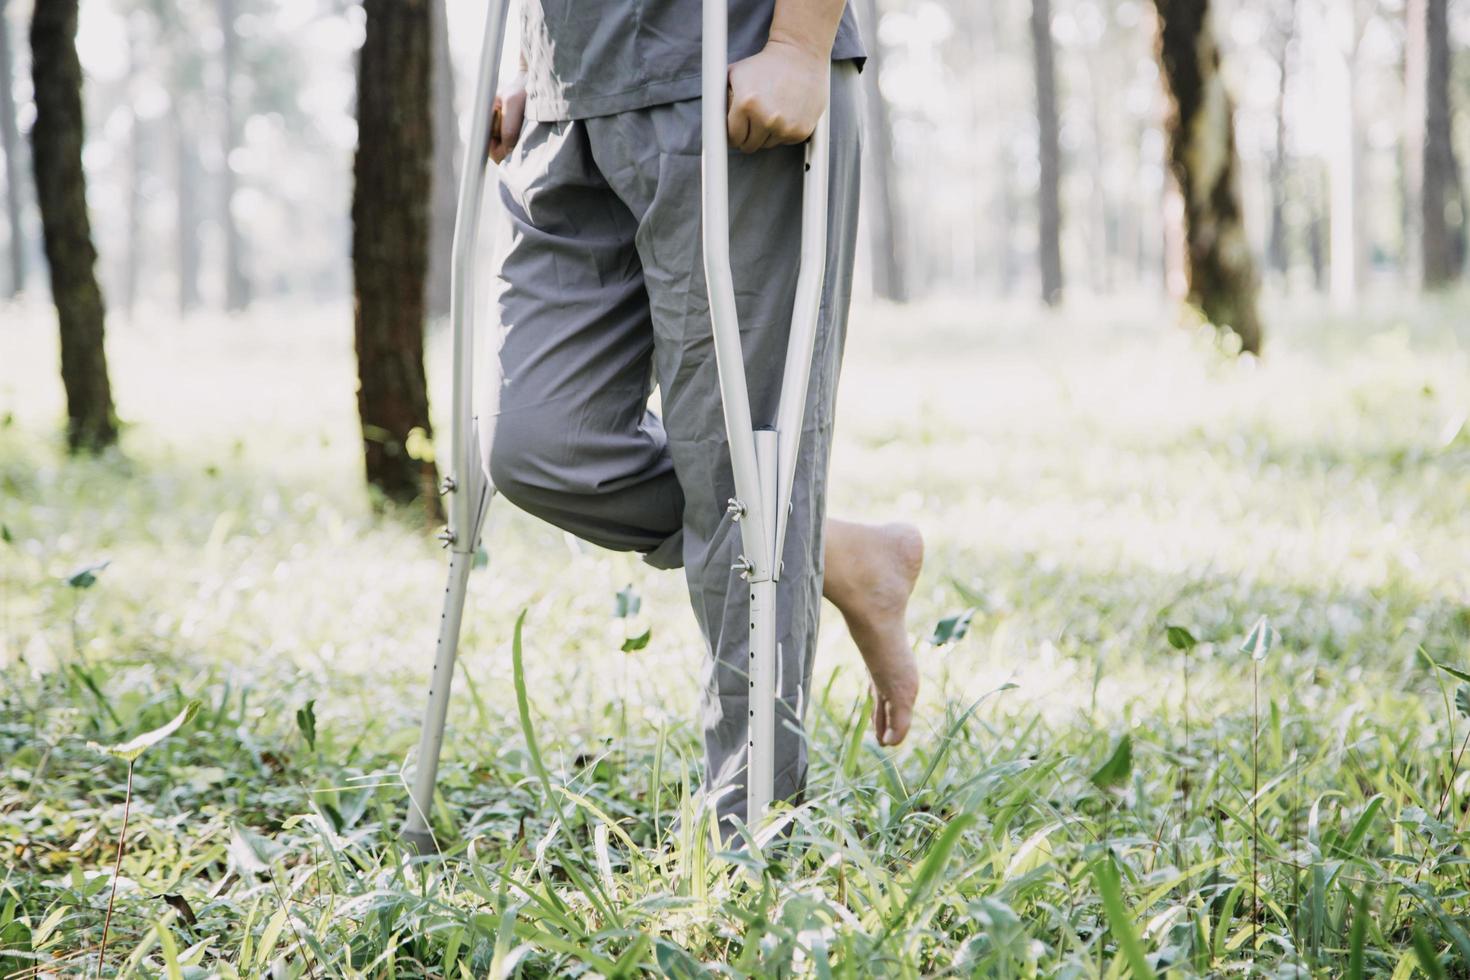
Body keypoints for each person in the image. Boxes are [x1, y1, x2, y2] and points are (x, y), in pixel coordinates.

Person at [480, 0, 921, 829]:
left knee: (744, 457)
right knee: (536, 444)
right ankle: (834, 551)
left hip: (733, 68)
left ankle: (749, 835)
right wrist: (526, 62)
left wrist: (798, 42)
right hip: (566, 93)